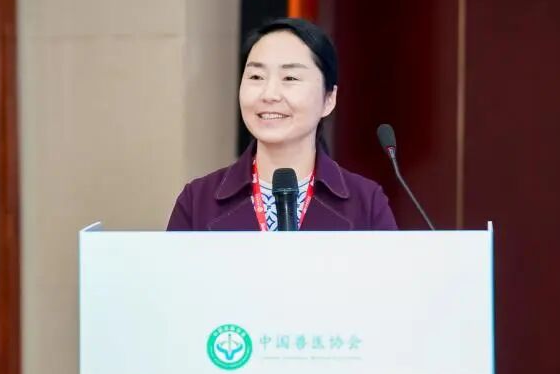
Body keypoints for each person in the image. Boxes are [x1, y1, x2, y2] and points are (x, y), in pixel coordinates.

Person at [166, 18, 398, 231]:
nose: (269, 94)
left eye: (290, 78)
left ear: (329, 99)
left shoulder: (367, 203)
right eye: (256, 77)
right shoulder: (197, 201)